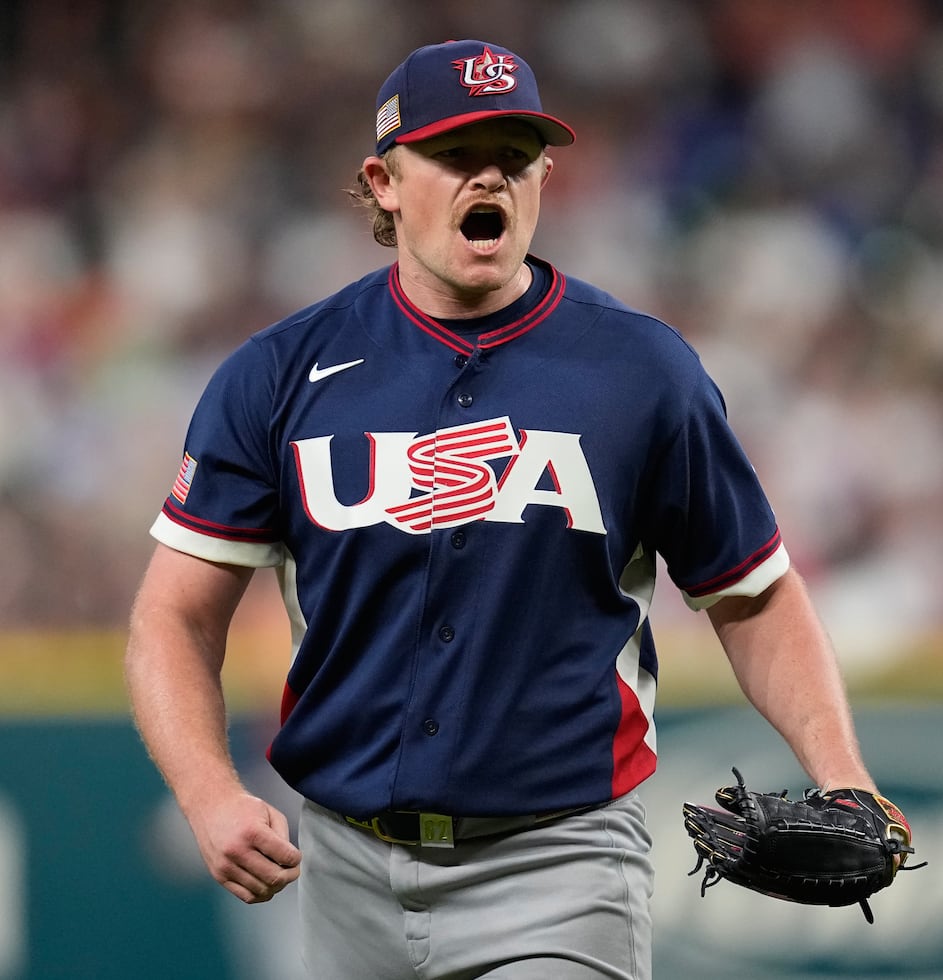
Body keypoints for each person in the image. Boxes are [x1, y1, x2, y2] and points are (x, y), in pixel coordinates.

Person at [125, 39, 898, 980]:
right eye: (454, 152)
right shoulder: (281, 373)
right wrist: (208, 792)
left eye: (515, 151)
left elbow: (754, 594)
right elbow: (172, 613)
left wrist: (843, 773)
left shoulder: (640, 372)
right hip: (341, 874)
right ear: (384, 181)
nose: (489, 172)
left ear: (543, 177)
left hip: (560, 862)